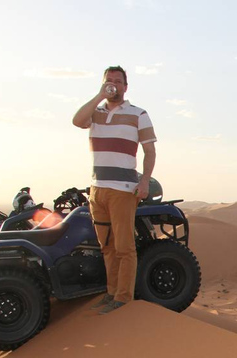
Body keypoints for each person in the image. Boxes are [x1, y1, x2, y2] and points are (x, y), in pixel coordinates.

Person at [72, 65, 157, 314]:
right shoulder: (95, 113)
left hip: (123, 190)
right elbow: (77, 121)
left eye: (118, 81)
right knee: (107, 247)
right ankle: (111, 293)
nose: (113, 85)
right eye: (109, 81)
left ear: (125, 86)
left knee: (124, 247)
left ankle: (123, 298)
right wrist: (99, 96)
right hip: (97, 189)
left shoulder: (138, 114)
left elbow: (150, 150)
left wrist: (145, 181)